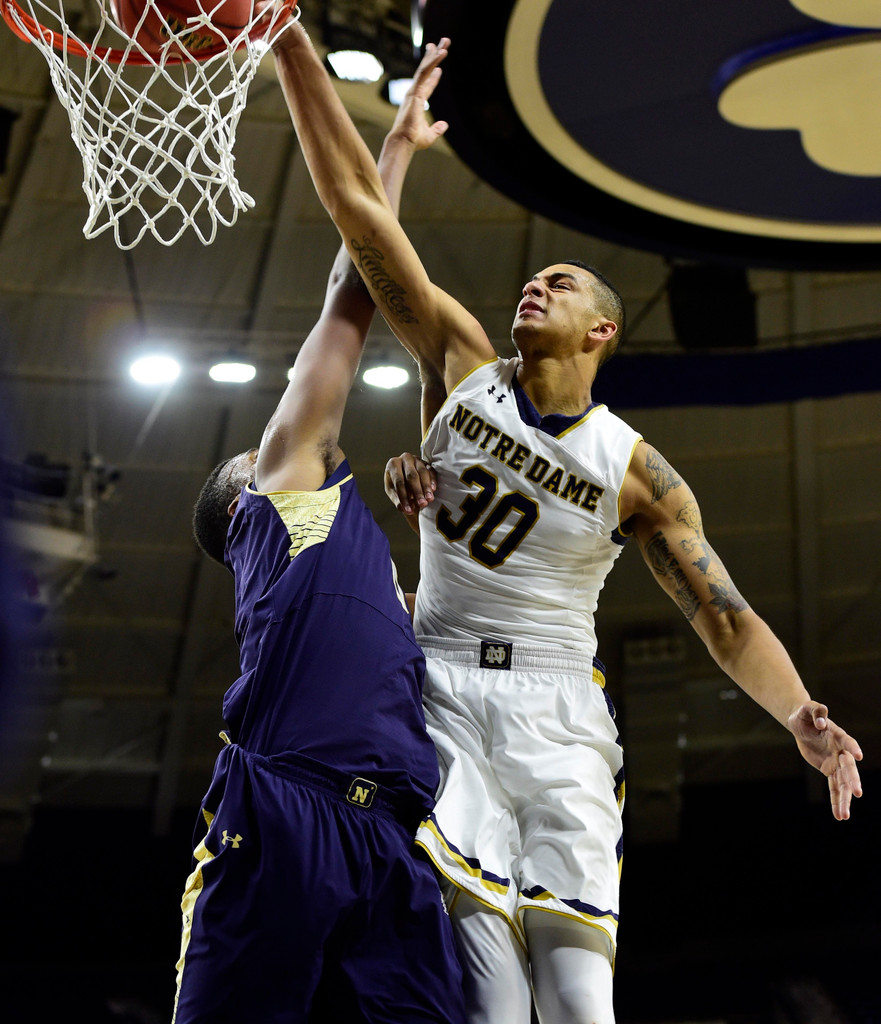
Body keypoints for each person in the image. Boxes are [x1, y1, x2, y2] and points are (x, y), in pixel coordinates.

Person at [269, 29, 864, 1024]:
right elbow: (357, 218)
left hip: (557, 711)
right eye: (531, 277)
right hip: (442, 692)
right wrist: (297, 48)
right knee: (490, 1005)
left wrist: (796, 709)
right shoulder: (459, 366)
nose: (533, 283)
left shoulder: (635, 472)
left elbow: (720, 616)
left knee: (580, 1000)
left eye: (563, 281)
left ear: (599, 331)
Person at [176, 52, 464, 1024]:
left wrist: (392, 157)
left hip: (391, 836)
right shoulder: (282, 491)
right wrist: (383, 158)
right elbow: (351, 293)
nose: (281, 431)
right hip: (287, 809)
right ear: (240, 499)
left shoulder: (363, 574)